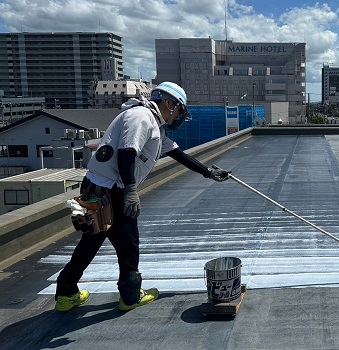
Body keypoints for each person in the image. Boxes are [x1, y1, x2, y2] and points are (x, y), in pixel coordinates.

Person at [54, 82, 230, 312]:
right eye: (179, 110)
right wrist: (130, 190)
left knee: (92, 240)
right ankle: (130, 296)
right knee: (127, 243)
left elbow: (178, 154)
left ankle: (66, 293)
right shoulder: (141, 117)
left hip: (98, 186)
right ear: (169, 103)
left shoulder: (153, 124)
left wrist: (208, 172)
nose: (178, 116)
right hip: (112, 190)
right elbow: (127, 152)